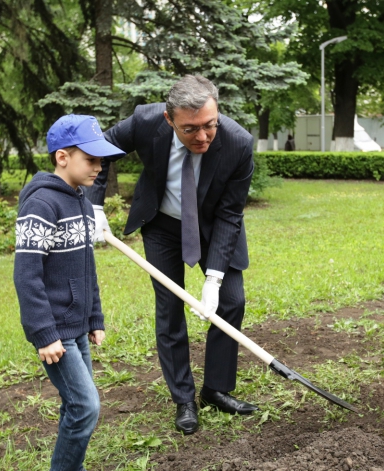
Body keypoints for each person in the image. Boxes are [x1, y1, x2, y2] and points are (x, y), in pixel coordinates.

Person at [87, 75, 257, 435]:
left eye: (209, 125)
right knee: (169, 309)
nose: (202, 137)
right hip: (162, 224)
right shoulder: (146, 122)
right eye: (190, 129)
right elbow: (101, 146)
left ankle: (216, 389)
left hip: (213, 226)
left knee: (231, 300)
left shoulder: (239, 143)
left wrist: (213, 279)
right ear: (169, 120)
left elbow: (230, 214)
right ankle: (184, 399)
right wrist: (94, 206)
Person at [13, 114, 125, 471]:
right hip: (55, 332)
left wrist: (95, 317)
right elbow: (26, 276)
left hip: (78, 326)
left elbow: (86, 266)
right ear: (63, 157)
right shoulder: (42, 204)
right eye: (90, 159)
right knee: (85, 406)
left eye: (100, 160)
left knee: (74, 404)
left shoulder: (80, 200)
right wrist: (44, 334)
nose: (99, 167)